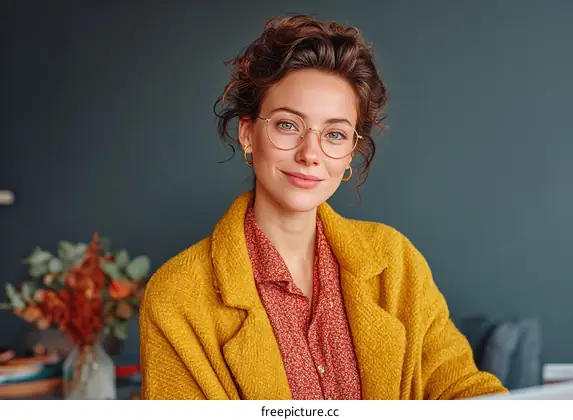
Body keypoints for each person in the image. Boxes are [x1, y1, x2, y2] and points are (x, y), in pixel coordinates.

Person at [139, 14, 507, 400]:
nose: (310, 154)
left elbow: (462, 389)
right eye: (287, 125)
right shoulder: (176, 295)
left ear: (350, 153)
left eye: (334, 134)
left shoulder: (396, 262)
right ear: (247, 134)